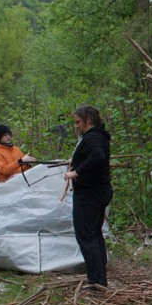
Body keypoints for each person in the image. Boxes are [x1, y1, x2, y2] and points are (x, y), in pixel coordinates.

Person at [63, 106, 113, 290]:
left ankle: (97, 280)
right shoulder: (98, 137)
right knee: (94, 234)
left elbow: (98, 157)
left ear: (88, 120)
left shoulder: (93, 137)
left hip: (90, 194)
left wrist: (76, 172)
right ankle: (99, 279)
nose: (77, 126)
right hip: (97, 192)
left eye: (78, 122)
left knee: (87, 236)